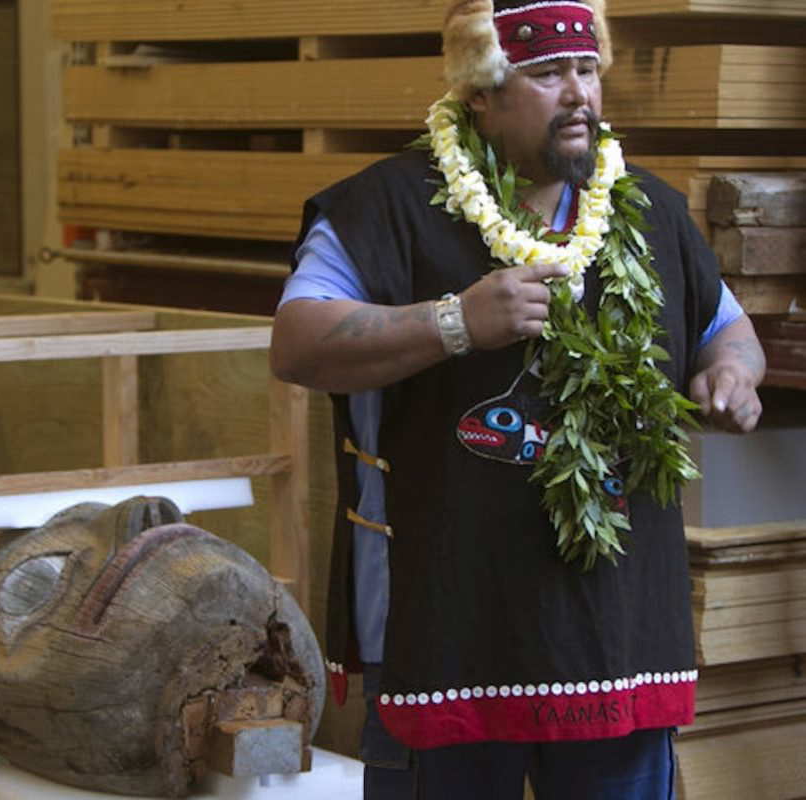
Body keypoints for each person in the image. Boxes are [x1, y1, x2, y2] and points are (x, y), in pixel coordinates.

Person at [269, 0, 766, 797]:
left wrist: (729, 373)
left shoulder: (651, 211)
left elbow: (727, 330)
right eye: (545, 74)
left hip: (617, 630)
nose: (576, 94)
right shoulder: (385, 206)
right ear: (479, 93)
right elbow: (296, 344)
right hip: (452, 618)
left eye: (586, 70)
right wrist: (454, 322)